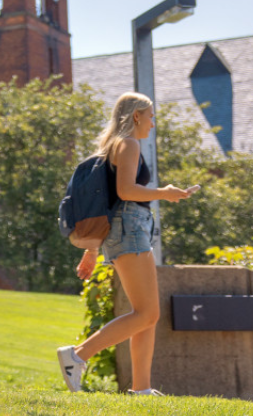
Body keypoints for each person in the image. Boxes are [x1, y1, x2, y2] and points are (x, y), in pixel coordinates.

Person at [57, 92, 194, 395]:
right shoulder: (129, 144)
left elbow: (106, 199)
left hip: (127, 229)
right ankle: (77, 355)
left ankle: (142, 389)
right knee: (146, 314)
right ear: (136, 116)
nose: (153, 123)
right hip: (129, 228)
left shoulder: (113, 146)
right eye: (151, 116)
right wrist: (165, 192)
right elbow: (127, 191)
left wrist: (92, 250)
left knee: (146, 314)